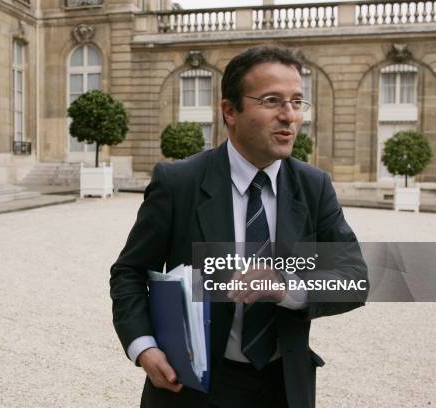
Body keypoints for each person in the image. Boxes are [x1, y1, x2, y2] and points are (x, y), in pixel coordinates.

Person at [109, 44, 368, 408]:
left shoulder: (314, 186)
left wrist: (286, 285)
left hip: (283, 387)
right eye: (272, 101)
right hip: (191, 387)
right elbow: (129, 273)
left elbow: (353, 277)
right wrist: (144, 347)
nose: (289, 116)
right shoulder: (178, 182)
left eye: (297, 102)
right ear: (229, 110)